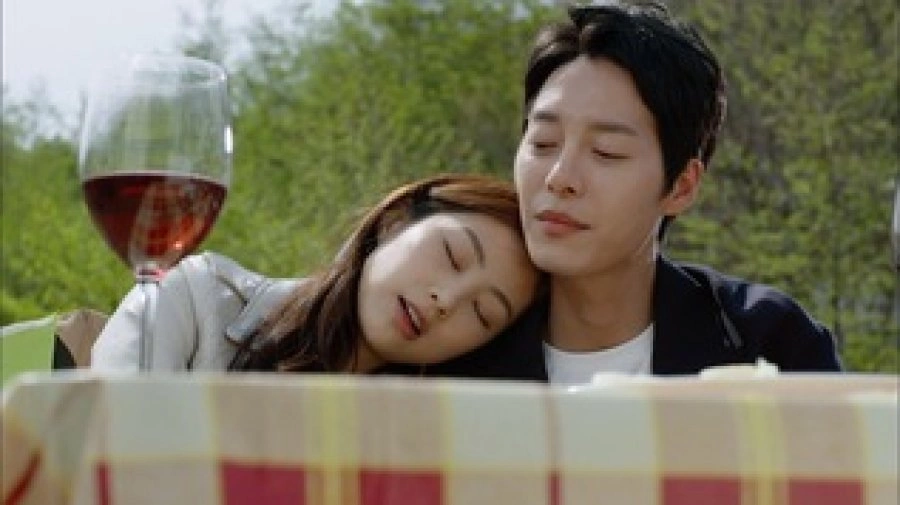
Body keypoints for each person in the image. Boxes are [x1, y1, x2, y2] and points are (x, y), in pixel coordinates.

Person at [503, 1, 842, 385]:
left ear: (681, 186)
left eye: (606, 152)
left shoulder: (769, 339)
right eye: (543, 143)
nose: (560, 178)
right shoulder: (466, 343)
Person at [91, 173, 542, 377]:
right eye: (452, 255)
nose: (447, 300)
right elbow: (111, 445)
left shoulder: (411, 447)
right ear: (395, 221)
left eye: (482, 313)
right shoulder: (196, 297)